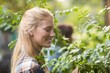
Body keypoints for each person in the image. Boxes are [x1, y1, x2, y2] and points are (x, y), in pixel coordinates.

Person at [11, 7, 55, 73]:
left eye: (52, 30)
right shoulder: (31, 67)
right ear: (30, 31)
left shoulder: (33, 60)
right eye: (47, 30)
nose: (53, 34)